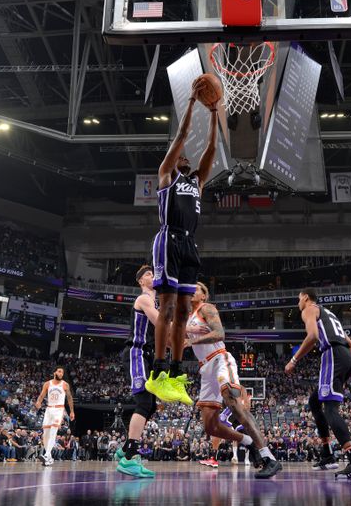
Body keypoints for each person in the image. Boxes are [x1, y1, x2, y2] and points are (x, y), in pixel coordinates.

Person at [144, 78, 219, 405]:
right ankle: (158, 370)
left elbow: (212, 150)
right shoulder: (166, 175)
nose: (185, 157)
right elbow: (182, 136)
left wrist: (214, 113)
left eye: (187, 158)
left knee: (186, 310)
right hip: (168, 238)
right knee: (169, 306)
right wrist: (191, 103)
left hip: (190, 243)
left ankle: (174, 374)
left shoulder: (197, 182)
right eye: (181, 157)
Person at [185, 282, 282, 479]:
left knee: (234, 404)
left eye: (196, 288)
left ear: (204, 295)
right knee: (210, 426)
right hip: (205, 368)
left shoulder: (207, 308)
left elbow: (220, 333)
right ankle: (248, 442)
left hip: (221, 359)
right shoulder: (187, 317)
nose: (191, 291)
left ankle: (269, 457)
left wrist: (191, 341)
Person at [286, 288, 351, 479]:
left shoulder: (309, 309)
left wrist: (294, 360)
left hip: (332, 355)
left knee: (331, 410)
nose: (298, 303)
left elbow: (313, 337)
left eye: (299, 299)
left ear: (306, 298)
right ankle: (328, 454)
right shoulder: (329, 314)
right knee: (315, 402)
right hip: (346, 357)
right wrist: (346, 371)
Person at [115, 265, 161, 478]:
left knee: (150, 405)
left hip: (148, 354)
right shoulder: (144, 299)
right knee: (143, 402)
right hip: (137, 352)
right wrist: (185, 329)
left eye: (153, 273)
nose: (153, 276)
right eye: (148, 274)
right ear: (141, 281)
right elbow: (160, 322)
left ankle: (124, 450)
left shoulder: (155, 300)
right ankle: (130, 457)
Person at [34, 367, 75, 467]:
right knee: (46, 434)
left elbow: (69, 398)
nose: (61, 374)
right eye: (60, 371)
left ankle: (47, 455)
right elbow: (42, 395)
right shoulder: (48, 384)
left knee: (53, 431)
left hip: (59, 409)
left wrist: (72, 411)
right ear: (55, 372)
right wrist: (38, 402)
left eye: (62, 372)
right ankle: (50, 458)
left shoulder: (65, 384)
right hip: (49, 409)